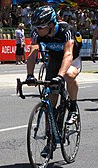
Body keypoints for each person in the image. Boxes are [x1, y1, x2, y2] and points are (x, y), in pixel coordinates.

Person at [25, 6, 82, 157]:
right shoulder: (38, 33)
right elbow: (32, 52)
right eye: (35, 27)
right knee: (50, 99)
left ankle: (73, 106)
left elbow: (68, 54)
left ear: (51, 24)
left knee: (69, 75)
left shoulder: (65, 30)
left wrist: (60, 76)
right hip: (55, 61)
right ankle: (50, 142)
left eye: (40, 27)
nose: (37, 30)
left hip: (71, 59)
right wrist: (30, 75)